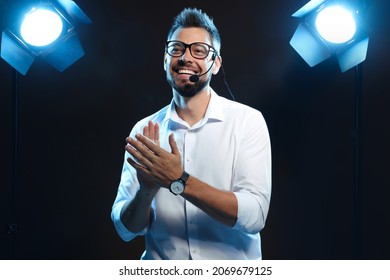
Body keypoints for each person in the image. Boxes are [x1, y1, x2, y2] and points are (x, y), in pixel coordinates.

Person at [111, 7, 272, 260]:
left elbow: (254, 216)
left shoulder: (247, 121)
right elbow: (126, 230)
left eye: (199, 50)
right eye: (176, 49)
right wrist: (146, 191)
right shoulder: (144, 130)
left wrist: (179, 180)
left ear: (215, 63)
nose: (185, 58)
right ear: (165, 59)